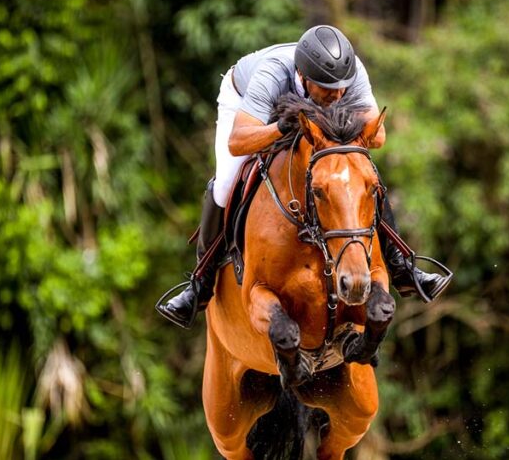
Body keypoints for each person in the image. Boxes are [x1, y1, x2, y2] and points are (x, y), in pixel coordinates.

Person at [158, 25, 449, 329]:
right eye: (326, 88)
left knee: (362, 174)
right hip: (250, 108)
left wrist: (343, 124)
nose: (337, 95)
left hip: (303, 119)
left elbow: (377, 137)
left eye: (342, 88)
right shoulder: (272, 76)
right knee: (225, 185)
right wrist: (280, 129)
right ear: (303, 77)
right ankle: (200, 284)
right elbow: (238, 142)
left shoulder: (352, 74)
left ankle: (403, 267)